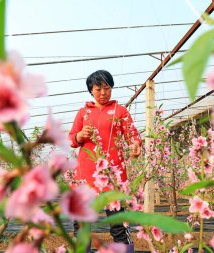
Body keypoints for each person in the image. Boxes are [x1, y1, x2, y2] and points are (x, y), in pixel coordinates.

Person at [68, 70, 142, 253]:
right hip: (86, 175)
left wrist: (135, 145)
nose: (103, 93)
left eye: (107, 88)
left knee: (118, 223)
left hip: (113, 175)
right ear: (91, 91)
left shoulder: (120, 111)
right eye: (98, 89)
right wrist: (79, 135)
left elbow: (132, 136)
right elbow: (70, 141)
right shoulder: (83, 113)